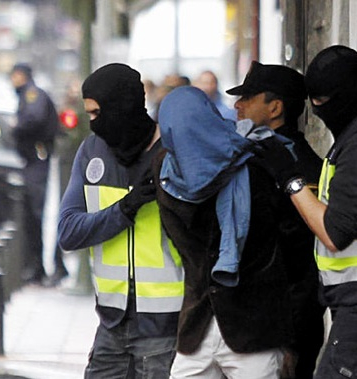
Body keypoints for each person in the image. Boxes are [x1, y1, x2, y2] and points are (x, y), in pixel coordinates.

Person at [153, 86, 293, 378]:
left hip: (254, 329)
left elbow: (285, 244)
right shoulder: (166, 174)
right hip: (197, 329)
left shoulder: (255, 165)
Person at [58, 63, 183, 378]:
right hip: (111, 325)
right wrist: (125, 208)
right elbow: (68, 232)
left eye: (98, 113)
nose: (93, 124)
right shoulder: (91, 151)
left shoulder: (173, 150)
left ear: (123, 107)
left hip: (165, 329)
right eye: (88, 114)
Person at [254, 44, 357, 379]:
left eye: (323, 101)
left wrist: (290, 179)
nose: (317, 109)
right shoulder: (347, 141)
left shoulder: (354, 147)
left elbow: (333, 233)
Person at [226, 61, 325, 379]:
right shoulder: (259, 155)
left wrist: (290, 341)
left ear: (276, 107)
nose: (238, 105)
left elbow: (302, 262)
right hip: (262, 322)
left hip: (285, 326)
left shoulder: (294, 165)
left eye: (249, 97)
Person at [9, 63, 67, 285]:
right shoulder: (28, 95)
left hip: (37, 159)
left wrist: (16, 126)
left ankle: (39, 267)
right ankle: (37, 266)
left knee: (36, 212)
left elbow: (34, 119)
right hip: (35, 159)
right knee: (33, 214)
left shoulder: (32, 94)